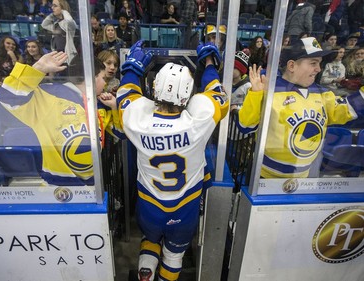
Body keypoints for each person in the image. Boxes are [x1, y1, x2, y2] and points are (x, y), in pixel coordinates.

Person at [115, 40, 228, 281]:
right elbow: (217, 94)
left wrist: (133, 68)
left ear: (155, 87)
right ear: (188, 92)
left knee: (150, 239)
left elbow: (126, 92)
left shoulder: (137, 118)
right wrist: (208, 63)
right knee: (174, 256)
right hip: (185, 206)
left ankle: (146, 276)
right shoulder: (199, 118)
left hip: (149, 204)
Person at [235, 37, 364, 178]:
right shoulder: (269, 90)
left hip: (302, 178)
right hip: (263, 178)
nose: (318, 69)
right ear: (291, 66)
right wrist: (256, 94)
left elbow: (345, 110)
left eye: (319, 63)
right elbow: (245, 126)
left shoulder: (323, 93)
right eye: (313, 63)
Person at [0, 51, 118, 186]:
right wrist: (38, 68)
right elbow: (7, 97)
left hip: (93, 187)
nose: (105, 84)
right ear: (92, 78)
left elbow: (120, 133)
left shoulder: (99, 103)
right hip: (57, 188)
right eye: (103, 79)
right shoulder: (49, 94)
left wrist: (114, 107)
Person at [41, 0, 77, 64]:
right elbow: (44, 25)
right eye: (52, 5)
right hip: (58, 56)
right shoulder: (56, 23)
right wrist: (51, 15)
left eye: (55, 6)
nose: (52, 8)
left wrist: (64, 11)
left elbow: (69, 20)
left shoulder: (68, 24)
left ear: (62, 7)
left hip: (68, 57)